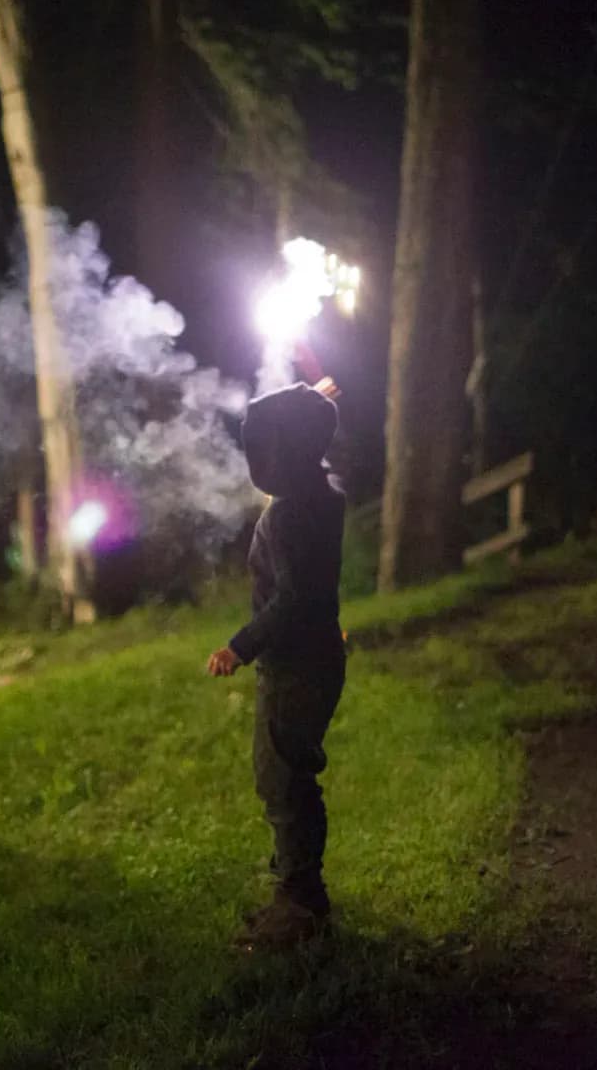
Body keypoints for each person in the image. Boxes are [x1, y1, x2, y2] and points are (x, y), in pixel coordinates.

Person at [206, 379, 347, 951]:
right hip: (320, 657)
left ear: (281, 453)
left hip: (293, 666)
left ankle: (299, 902)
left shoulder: (288, 518)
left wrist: (239, 646)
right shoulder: (324, 492)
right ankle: (296, 888)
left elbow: (291, 599)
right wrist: (309, 404)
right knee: (289, 774)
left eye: (265, 447)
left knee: (282, 779)